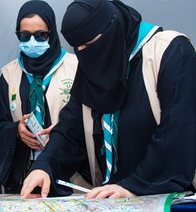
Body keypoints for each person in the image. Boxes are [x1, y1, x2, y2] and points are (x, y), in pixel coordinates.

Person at [21, 0, 196, 198]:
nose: (84, 52)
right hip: (110, 201)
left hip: (166, 199)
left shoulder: (170, 53)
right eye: (77, 47)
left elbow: (176, 132)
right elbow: (71, 128)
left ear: (112, 27)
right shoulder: (92, 66)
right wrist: (44, 166)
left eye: (89, 44)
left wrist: (133, 186)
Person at [0, 0, 80, 194]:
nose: (32, 42)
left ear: (52, 33)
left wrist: (64, 131)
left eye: (40, 35)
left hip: (70, 175)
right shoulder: (9, 74)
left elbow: (89, 118)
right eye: (25, 36)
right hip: (25, 176)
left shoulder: (75, 68)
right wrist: (17, 131)